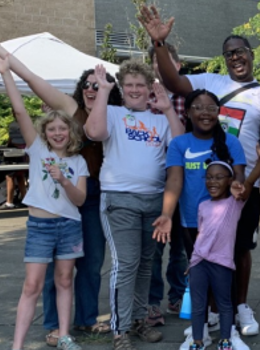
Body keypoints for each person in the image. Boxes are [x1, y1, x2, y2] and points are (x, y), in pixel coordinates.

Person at [138, 6, 260, 335]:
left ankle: (240, 305)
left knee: (240, 249)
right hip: (204, 186)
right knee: (204, 251)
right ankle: (215, 311)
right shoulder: (209, 82)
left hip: (244, 184)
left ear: (251, 53)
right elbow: (173, 81)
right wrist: (159, 45)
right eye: (228, 54)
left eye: (240, 51)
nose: (235, 58)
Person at [0, 37, 123, 346]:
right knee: (52, 266)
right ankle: (53, 325)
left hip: (92, 193)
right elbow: (34, 81)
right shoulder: (71, 109)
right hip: (58, 192)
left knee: (91, 262)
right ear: (81, 88)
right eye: (88, 84)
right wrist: (0, 52)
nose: (93, 89)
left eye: (99, 84)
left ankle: (86, 319)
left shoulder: (115, 114)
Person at [84, 61, 184, 350]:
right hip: (120, 199)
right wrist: (103, 90)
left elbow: (181, 144)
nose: (135, 90)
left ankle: (139, 319)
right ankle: (120, 329)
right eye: (129, 85)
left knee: (145, 265)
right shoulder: (113, 112)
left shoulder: (159, 118)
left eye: (141, 84)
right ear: (122, 88)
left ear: (148, 88)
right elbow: (95, 132)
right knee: (126, 264)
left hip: (154, 199)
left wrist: (167, 109)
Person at [0, 52, 89, 350]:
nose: (58, 133)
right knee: (32, 286)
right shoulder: (37, 151)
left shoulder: (78, 162)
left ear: (70, 132)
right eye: (52, 129)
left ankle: (64, 335)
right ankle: (17, 345)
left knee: (64, 282)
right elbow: (21, 112)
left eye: (63, 128)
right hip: (40, 227)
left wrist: (63, 179)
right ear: (44, 133)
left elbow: (80, 199)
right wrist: (7, 72)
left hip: (69, 227)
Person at [151, 89, 248, 350]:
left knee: (226, 277)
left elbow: (239, 178)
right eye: (198, 107)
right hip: (191, 223)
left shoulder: (231, 142)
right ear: (188, 112)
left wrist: (240, 187)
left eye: (211, 108)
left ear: (219, 113)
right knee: (199, 280)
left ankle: (230, 332)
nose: (205, 112)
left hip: (224, 224)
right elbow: (174, 181)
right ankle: (201, 331)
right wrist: (167, 215)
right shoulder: (180, 144)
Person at [156, 137, 260, 350]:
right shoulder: (202, 207)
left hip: (222, 264)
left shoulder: (234, 204)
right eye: (209, 177)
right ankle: (198, 340)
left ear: (229, 181)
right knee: (199, 306)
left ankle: (226, 339)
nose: (213, 182)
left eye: (219, 177)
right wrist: (192, 263)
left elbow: (248, 182)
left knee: (225, 304)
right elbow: (202, 237)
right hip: (200, 264)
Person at [145, 42, 189, 327]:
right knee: (153, 247)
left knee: (182, 248)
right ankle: (151, 302)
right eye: (156, 65)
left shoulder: (188, 96)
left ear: (178, 65)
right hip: (153, 181)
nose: (160, 69)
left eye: (166, 63)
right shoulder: (142, 98)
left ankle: (178, 295)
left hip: (184, 181)